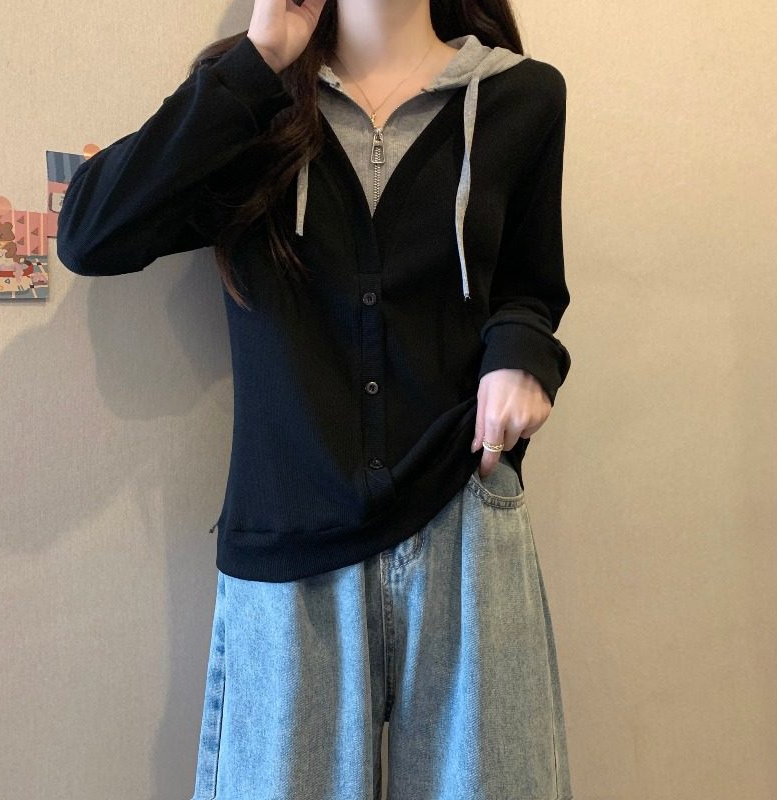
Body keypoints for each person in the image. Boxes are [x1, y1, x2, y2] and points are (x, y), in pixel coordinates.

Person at [57, 0, 574, 797]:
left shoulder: (521, 96)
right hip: (287, 541)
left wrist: (521, 358)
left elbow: (529, 286)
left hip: (463, 520)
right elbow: (92, 232)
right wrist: (259, 60)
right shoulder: (253, 98)